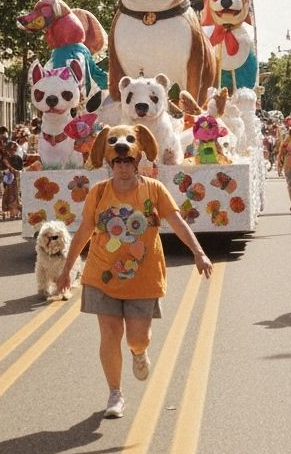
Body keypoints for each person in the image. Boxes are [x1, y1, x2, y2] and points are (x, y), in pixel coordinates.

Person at [57, 138, 213, 419]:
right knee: (110, 334)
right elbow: (84, 231)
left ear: (137, 162)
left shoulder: (154, 190)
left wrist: (199, 253)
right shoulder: (99, 192)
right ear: (110, 164)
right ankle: (115, 393)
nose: (123, 167)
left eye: (128, 161)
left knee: (138, 338)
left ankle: (139, 352)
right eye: (118, 162)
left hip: (143, 277)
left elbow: (177, 222)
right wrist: (67, 268)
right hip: (102, 275)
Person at [0, 140, 23, 221]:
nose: (13, 151)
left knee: (15, 195)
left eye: (14, 150)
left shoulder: (16, 157)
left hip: (16, 179)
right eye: (12, 149)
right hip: (9, 179)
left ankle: (15, 212)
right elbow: (4, 168)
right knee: (9, 195)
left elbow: (19, 167)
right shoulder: (5, 158)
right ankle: (13, 213)